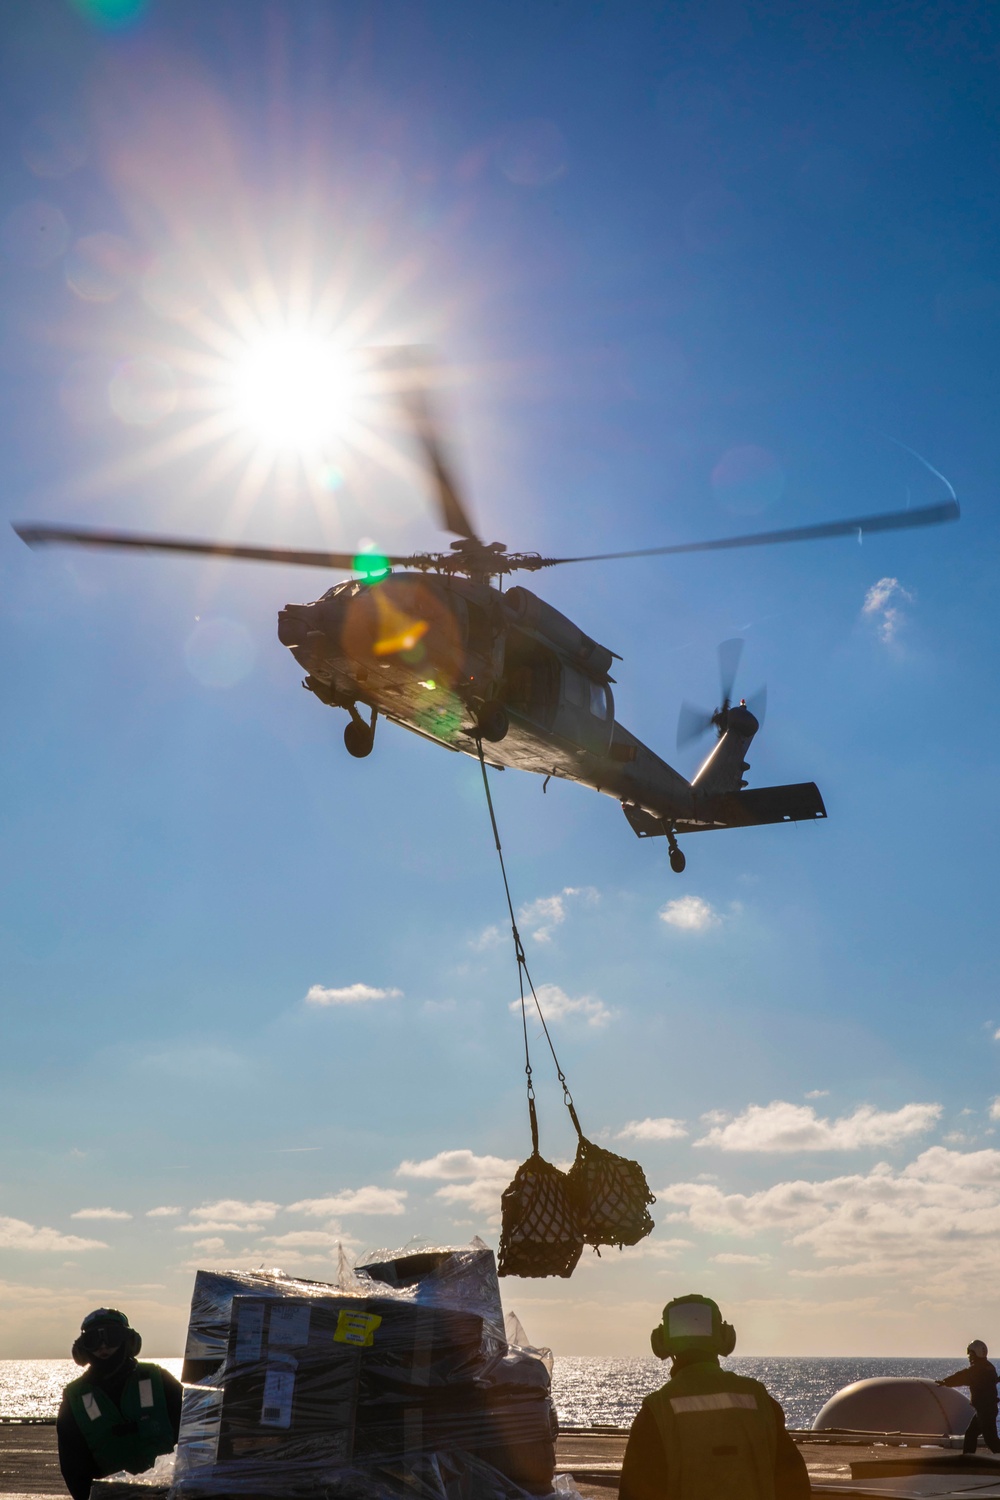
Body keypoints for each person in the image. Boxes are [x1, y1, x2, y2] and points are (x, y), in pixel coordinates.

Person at [620, 1294, 809, 1500]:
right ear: (725, 1337)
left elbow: (636, 1492)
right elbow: (795, 1485)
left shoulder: (657, 1411)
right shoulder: (759, 1400)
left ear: (661, 1342)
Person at [57, 1308, 183, 1500]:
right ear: (83, 1348)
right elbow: (73, 1465)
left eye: (112, 1337)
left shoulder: (157, 1379)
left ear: (128, 1340)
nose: (103, 1346)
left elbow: (191, 1433)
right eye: (94, 1340)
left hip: (169, 1493)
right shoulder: (75, 1397)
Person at [938, 1340, 1000, 1455]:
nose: (969, 1357)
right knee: (971, 1434)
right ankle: (968, 1457)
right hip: (987, 1409)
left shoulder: (976, 1370)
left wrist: (945, 1381)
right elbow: (993, 1379)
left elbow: (962, 1376)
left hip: (984, 1410)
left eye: (970, 1354)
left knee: (991, 1440)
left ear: (975, 1354)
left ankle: (968, 1458)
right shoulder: (989, 1367)